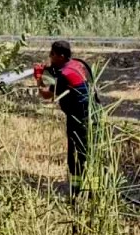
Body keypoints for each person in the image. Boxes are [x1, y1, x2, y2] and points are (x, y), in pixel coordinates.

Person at [34, 41, 96, 197]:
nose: (50, 56)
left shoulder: (64, 75)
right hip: (90, 115)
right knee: (87, 154)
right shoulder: (76, 64)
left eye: (52, 54)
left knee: (75, 157)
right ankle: (89, 190)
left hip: (78, 119)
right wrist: (47, 70)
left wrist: (39, 78)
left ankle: (79, 193)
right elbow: (57, 73)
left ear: (61, 56)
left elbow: (47, 95)